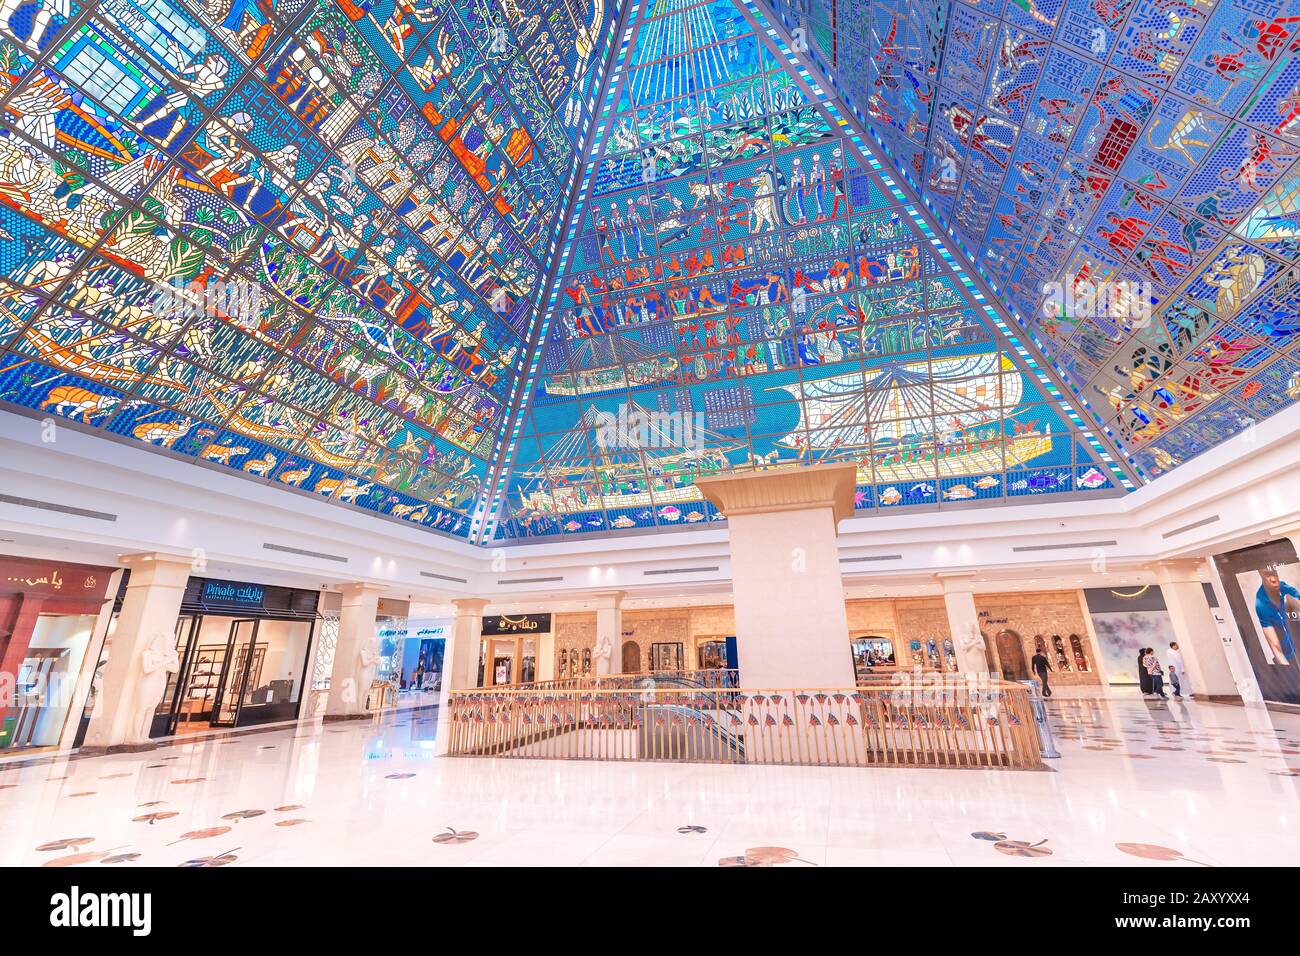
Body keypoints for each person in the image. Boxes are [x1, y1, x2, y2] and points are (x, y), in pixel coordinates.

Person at [1253, 568, 1299, 665]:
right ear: (1261, 574)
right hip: (1289, 657)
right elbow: (1276, 650)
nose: (1274, 579)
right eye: (1268, 575)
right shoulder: (1261, 603)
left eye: (1274, 574)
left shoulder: (1286, 588)